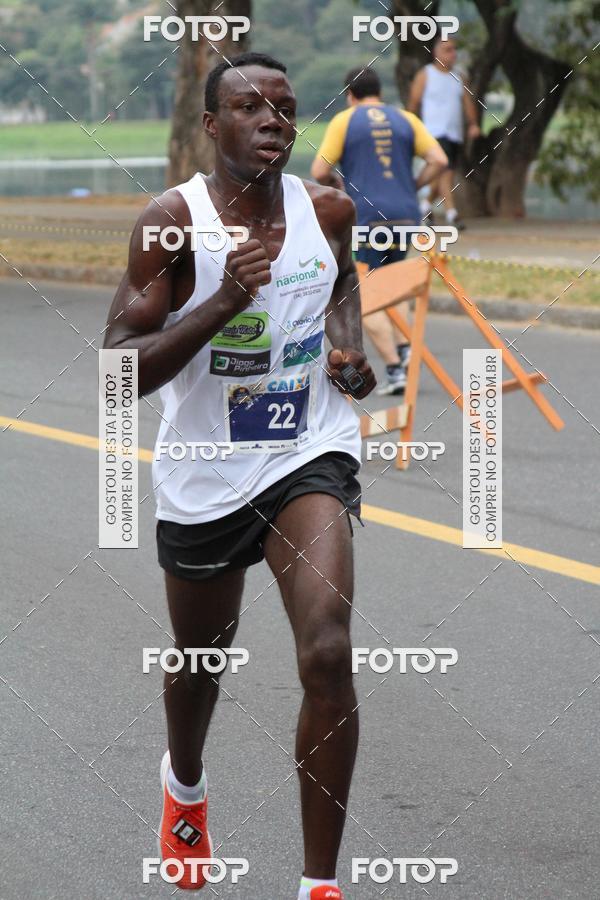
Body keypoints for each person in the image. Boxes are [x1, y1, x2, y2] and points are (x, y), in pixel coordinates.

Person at [103, 52, 376, 900]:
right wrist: (221, 301)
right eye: (250, 109)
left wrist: (350, 351)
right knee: (199, 661)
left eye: (286, 110)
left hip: (306, 452)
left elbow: (341, 287)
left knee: (328, 649)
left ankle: (318, 885)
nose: (272, 122)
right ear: (211, 126)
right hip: (204, 470)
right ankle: (184, 782)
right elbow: (119, 369)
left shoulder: (326, 209)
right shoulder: (169, 223)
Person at [311, 67, 447, 395]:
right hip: (405, 215)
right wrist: (411, 186)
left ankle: (393, 367)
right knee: (394, 282)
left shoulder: (345, 120)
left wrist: (339, 187)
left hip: (367, 217)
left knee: (366, 293)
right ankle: (403, 349)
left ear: (349, 94)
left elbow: (319, 171)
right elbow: (439, 159)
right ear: (379, 91)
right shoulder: (406, 119)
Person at [408, 36, 481, 230]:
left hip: (454, 133)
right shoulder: (426, 75)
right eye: (447, 50)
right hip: (433, 132)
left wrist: (473, 124)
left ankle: (423, 207)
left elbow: (468, 102)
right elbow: (413, 104)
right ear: (436, 52)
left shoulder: (459, 76)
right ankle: (452, 213)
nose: (452, 54)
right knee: (446, 173)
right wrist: (409, 127)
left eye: (454, 49)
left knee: (440, 176)